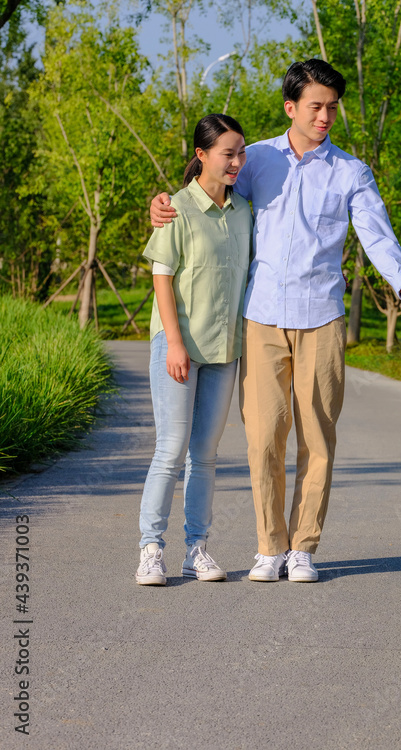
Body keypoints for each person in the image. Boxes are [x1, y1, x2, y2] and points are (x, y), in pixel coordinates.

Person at [150, 59, 401, 583]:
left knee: (317, 440)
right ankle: (268, 546)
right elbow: (208, 182)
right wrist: (162, 203)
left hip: (322, 317)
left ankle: (303, 548)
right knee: (262, 439)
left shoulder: (350, 171)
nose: (325, 116)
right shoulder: (255, 158)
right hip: (261, 320)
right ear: (291, 107)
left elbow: (376, 234)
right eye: (315, 106)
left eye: (331, 107)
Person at [136, 114, 251, 585]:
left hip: (224, 348)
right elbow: (161, 279)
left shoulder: (244, 210)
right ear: (201, 155)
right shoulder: (177, 209)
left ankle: (197, 550)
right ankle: (150, 549)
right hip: (178, 344)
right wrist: (175, 344)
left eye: (241, 152)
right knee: (171, 449)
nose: (237, 162)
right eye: (228, 153)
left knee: (205, 453)